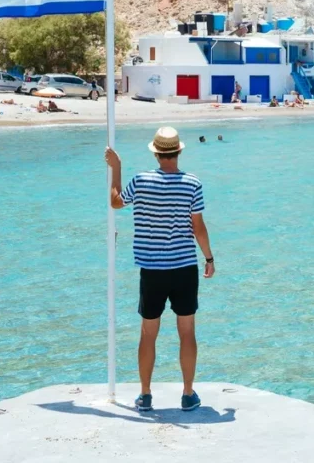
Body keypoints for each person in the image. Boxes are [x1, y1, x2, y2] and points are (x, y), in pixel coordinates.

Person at [105, 127, 214, 413]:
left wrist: (117, 169)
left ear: (155, 152)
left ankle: (145, 394)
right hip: (184, 268)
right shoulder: (192, 183)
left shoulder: (141, 180)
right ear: (178, 151)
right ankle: (188, 394)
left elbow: (115, 202)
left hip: (152, 270)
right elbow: (198, 227)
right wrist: (209, 258)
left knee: (148, 333)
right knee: (187, 332)